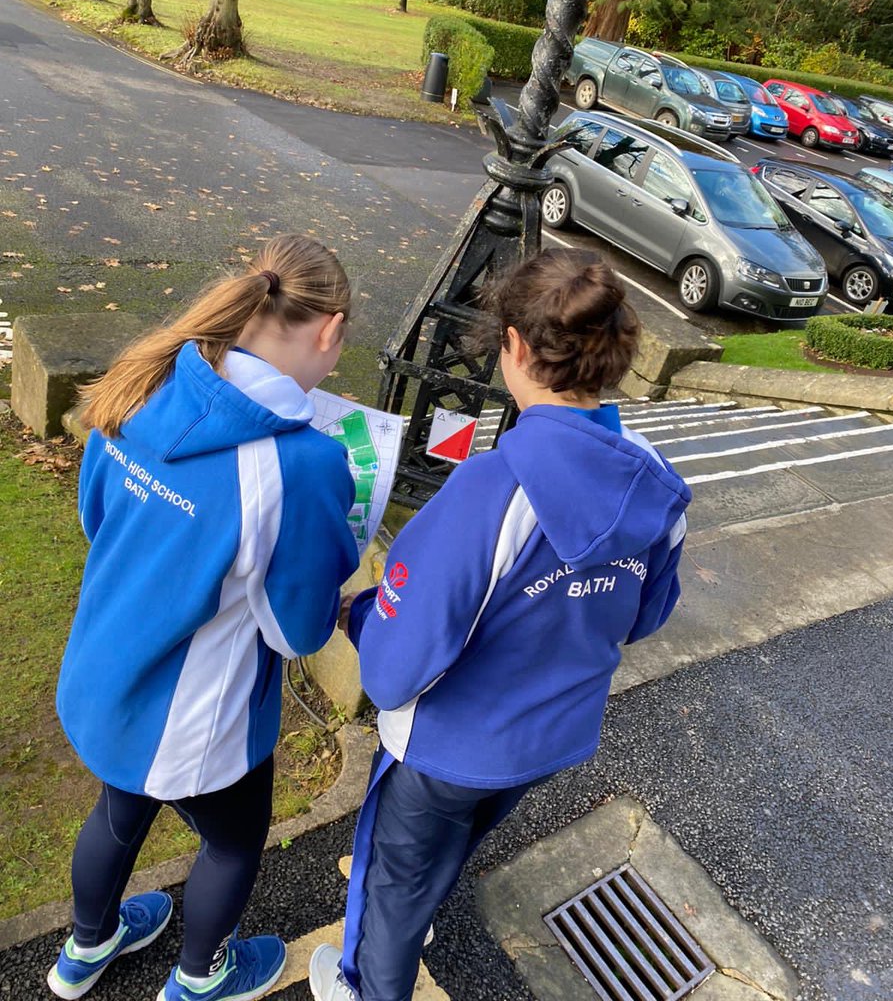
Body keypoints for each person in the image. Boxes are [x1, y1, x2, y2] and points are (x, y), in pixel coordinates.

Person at [308, 249, 692, 1001]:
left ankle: (364, 986)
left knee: (392, 880)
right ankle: (418, 914)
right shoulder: (654, 476)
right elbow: (645, 615)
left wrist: (359, 616)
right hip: (553, 734)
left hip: (447, 744)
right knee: (459, 834)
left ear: (514, 345)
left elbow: (394, 668)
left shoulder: (490, 491)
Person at [47, 235, 360, 1001]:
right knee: (232, 840)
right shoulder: (301, 465)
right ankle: (198, 978)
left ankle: (85, 950)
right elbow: (297, 633)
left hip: (104, 671)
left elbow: (99, 518)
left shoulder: (145, 378)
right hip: (192, 716)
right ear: (328, 328)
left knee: (120, 809)